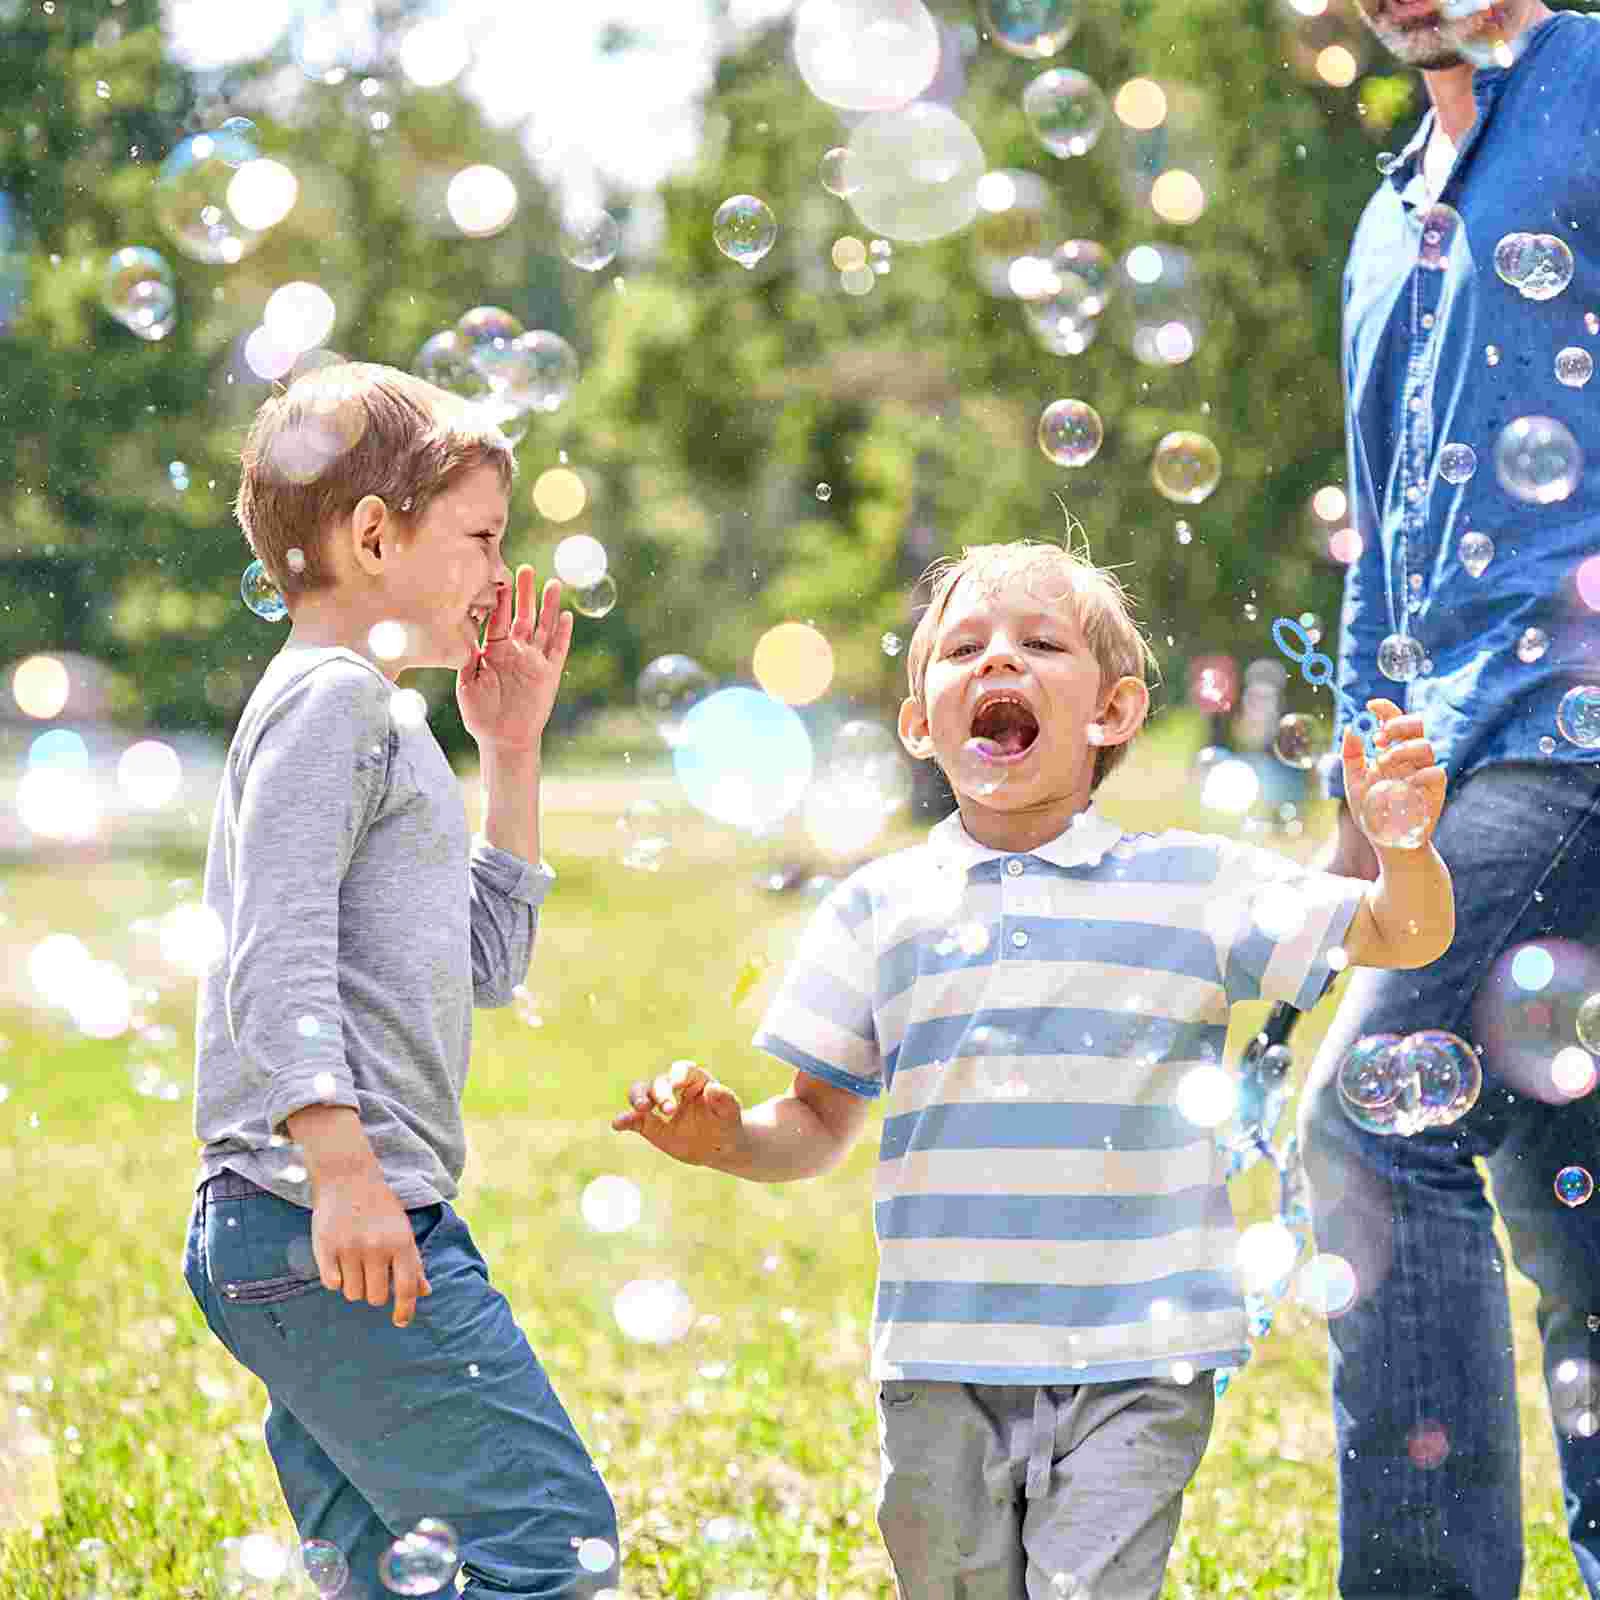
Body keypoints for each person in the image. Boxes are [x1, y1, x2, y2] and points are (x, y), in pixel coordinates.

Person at [615, 540, 1454, 1600]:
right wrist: (728, 1137)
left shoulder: (1193, 884)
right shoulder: (877, 907)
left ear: (1112, 710)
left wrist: (1403, 848)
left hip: (1138, 1356)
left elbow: (1400, 933)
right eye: (964, 646)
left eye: (1039, 643)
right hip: (939, 1354)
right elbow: (816, 1118)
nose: (998, 662)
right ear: (921, 722)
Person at [180, 364, 617, 1600]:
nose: (495, 572)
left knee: (390, 1582)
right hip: (324, 1215)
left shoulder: (384, 716)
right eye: (480, 538)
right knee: (551, 1539)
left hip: (320, 1220)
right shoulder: (329, 705)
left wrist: (513, 750)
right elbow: (270, 952)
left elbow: (489, 962)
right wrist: (342, 1168)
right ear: (374, 535)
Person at [1301, 1, 1600, 1595]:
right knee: (1581, 1225)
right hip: (1458, 763)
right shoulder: (1385, 206)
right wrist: (1362, 821)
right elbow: (1390, 545)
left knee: (1370, 1128)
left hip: (1580, 732)